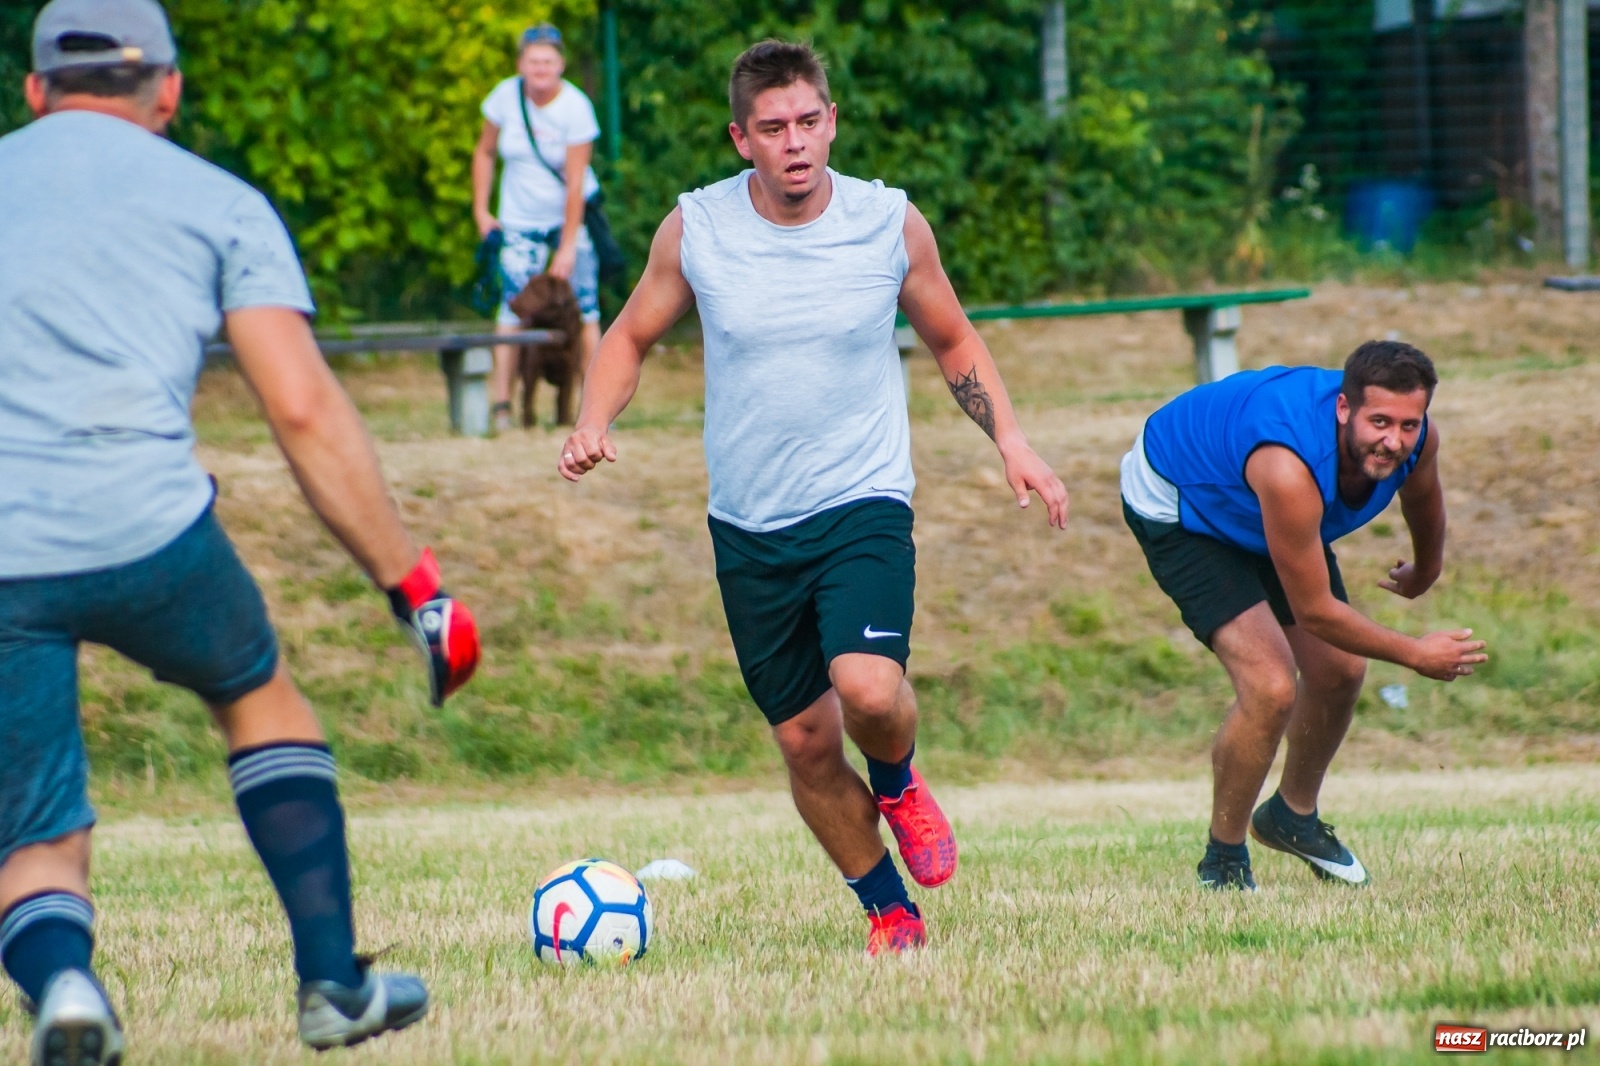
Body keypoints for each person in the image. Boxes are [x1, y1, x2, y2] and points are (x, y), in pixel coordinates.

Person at [0, 2, 481, 1062]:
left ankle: (67, 987)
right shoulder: (219, 203)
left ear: (35, 92)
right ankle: (330, 981)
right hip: (149, 529)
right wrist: (414, 589)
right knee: (259, 697)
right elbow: (304, 412)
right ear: (166, 90)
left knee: (35, 827)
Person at [558, 40, 1069, 954]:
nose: (795, 142)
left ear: (831, 121)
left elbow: (953, 339)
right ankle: (890, 912)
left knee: (867, 691)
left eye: (808, 122)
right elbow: (631, 335)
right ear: (740, 139)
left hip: (862, 500)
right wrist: (595, 419)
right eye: (773, 128)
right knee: (802, 739)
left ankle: (902, 780)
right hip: (749, 524)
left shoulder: (888, 224)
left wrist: (1013, 440)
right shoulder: (697, 229)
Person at [1119, 341, 1487, 891]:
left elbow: (1423, 496)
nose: (1394, 440)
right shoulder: (1290, 468)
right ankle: (1223, 860)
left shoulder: (1417, 439)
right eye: (1379, 421)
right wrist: (1415, 653)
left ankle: (1292, 816)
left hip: (1258, 505)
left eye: (1408, 424)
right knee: (1270, 686)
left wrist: (1427, 568)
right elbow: (1316, 612)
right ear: (1344, 409)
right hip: (1181, 503)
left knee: (1341, 671)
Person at [472, 22, 604, 431]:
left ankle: (596, 408)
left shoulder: (576, 107)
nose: (540, 68)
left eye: (548, 60)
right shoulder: (504, 98)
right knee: (512, 309)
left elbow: (576, 182)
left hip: (567, 221)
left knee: (584, 310)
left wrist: (567, 245)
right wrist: (481, 209)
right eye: (533, 61)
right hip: (517, 223)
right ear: (521, 64)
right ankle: (503, 406)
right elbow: (485, 152)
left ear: (560, 64)